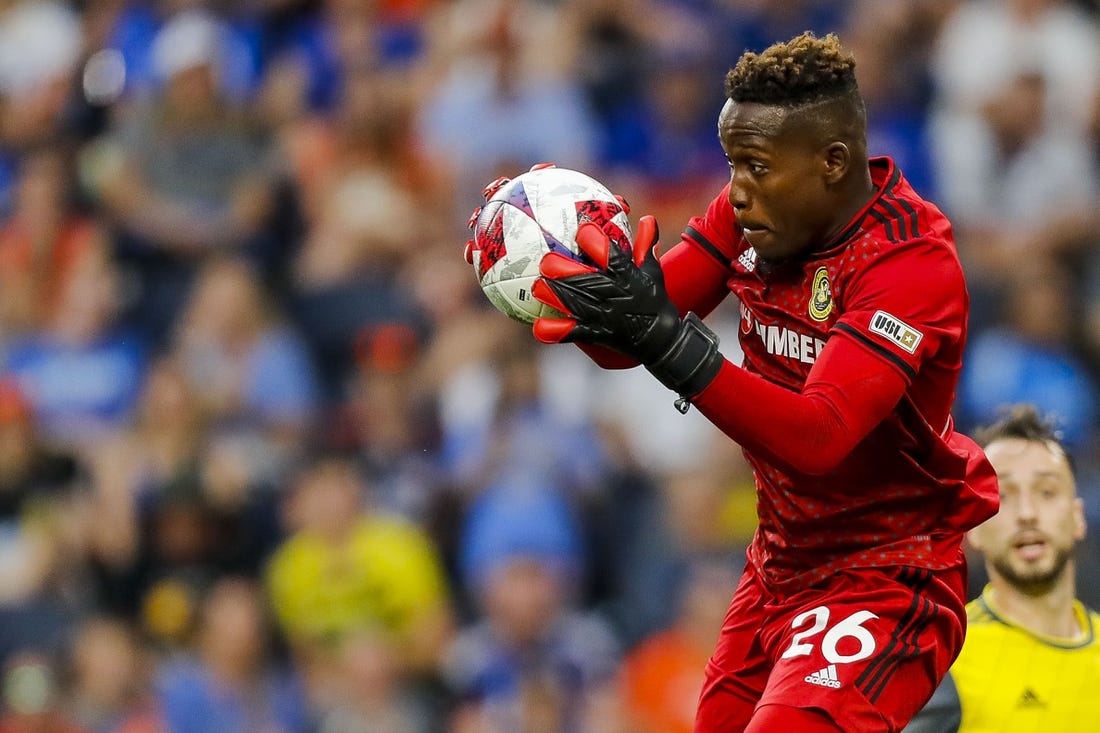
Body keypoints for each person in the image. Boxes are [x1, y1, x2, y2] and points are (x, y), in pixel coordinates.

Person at [478, 31, 1002, 731]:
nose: (737, 190)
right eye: (732, 165)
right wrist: (593, 294)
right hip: (778, 568)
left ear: (832, 163)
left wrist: (663, 337)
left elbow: (820, 436)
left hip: (888, 574)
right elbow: (633, 339)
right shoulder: (754, 211)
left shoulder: (908, 263)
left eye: (754, 167)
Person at [904, 404, 1100, 732]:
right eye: (1003, 496)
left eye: (1046, 492)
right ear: (973, 529)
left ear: (1078, 516)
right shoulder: (943, 659)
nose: (1027, 513)